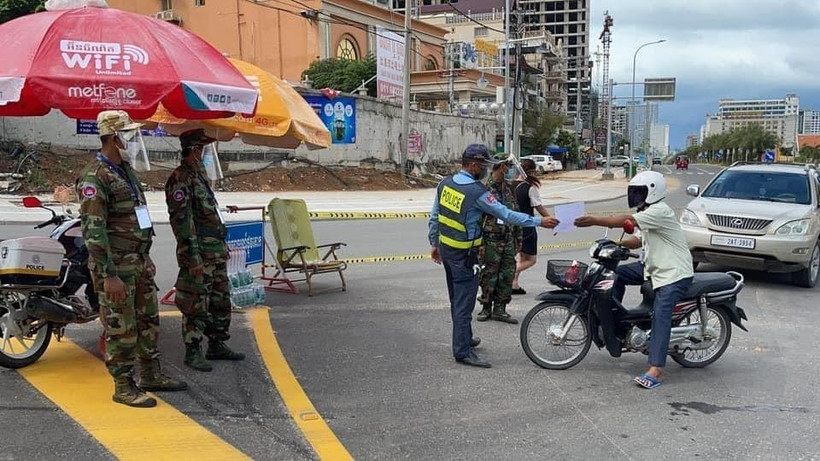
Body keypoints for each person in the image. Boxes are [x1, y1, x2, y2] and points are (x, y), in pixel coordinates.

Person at [78, 110, 187, 408]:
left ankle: (150, 374)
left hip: (137, 262)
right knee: (121, 327)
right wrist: (109, 274)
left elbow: (137, 215)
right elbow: (94, 231)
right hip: (116, 268)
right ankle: (123, 386)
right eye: (128, 134)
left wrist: (145, 254)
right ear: (114, 137)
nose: (134, 138)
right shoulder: (95, 177)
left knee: (147, 320)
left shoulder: (124, 171)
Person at [428, 145, 559, 368]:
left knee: (456, 299)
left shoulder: (445, 183)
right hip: (465, 256)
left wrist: (434, 243)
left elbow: (435, 216)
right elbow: (505, 214)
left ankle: (465, 337)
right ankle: (462, 351)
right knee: (464, 304)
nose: (487, 170)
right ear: (473, 165)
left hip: (447, 250)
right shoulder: (476, 192)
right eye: (484, 166)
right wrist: (539, 221)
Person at [574, 171, 694, 389]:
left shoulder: (659, 211)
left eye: (640, 192)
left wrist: (593, 220)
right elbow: (638, 240)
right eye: (634, 192)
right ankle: (615, 323)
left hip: (673, 272)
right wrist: (616, 246)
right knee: (615, 276)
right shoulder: (648, 212)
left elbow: (624, 220)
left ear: (653, 191)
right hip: (653, 267)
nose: (636, 197)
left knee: (661, 313)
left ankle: (656, 369)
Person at [165, 129, 245, 372]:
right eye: (202, 149)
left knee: (220, 301)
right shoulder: (180, 179)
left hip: (214, 251)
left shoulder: (198, 176)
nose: (204, 154)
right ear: (194, 150)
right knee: (196, 304)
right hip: (199, 254)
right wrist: (193, 257)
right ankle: (193, 350)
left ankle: (216, 344)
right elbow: (182, 221)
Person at [477, 160, 522, 324]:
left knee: (507, 273)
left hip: (508, 237)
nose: (510, 170)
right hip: (490, 239)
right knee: (489, 274)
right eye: (508, 167)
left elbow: (516, 212)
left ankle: (500, 309)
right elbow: (477, 217)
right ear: (501, 167)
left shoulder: (509, 188)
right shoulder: (483, 188)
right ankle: (486, 307)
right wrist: (479, 242)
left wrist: (518, 237)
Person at [511, 158, 554, 295]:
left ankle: (514, 284)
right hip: (527, 226)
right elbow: (539, 208)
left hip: (511, 225)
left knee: (522, 256)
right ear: (532, 171)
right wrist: (550, 219)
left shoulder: (509, 185)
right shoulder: (529, 188)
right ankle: (510, 274)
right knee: (531, 259)